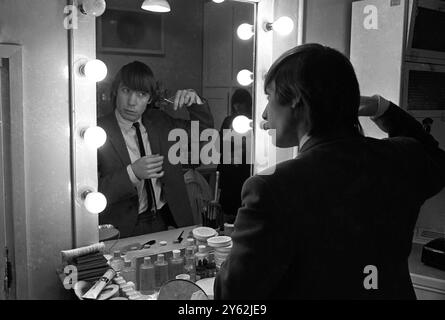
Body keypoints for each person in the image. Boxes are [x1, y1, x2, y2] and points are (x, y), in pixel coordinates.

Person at [214, 44, 445, 299]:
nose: (265, 112)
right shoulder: (401, 157)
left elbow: (233, 297)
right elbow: (436, 157)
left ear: (295, 98)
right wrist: (382, 108)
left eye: (269, 96)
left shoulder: (271, 189)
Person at [98, 61, 214, 238]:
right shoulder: (97, 131)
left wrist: (196, 104)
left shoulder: (160, 121)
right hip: (121, 227)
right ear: (116, 91)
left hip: (166, 219)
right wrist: (131, 173)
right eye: (126, 91)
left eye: (141, 94)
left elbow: (204, 134)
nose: (131, 102)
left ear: (150, 98)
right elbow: (90, 193)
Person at [217, 89, 253, 223]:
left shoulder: (252, 123)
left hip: (245, 172)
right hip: (228, 173)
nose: (237, 107)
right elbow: (220, 145)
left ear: (248, 104)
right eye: (235, 104)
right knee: (227, 210)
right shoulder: (229, 121)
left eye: (240, 103)